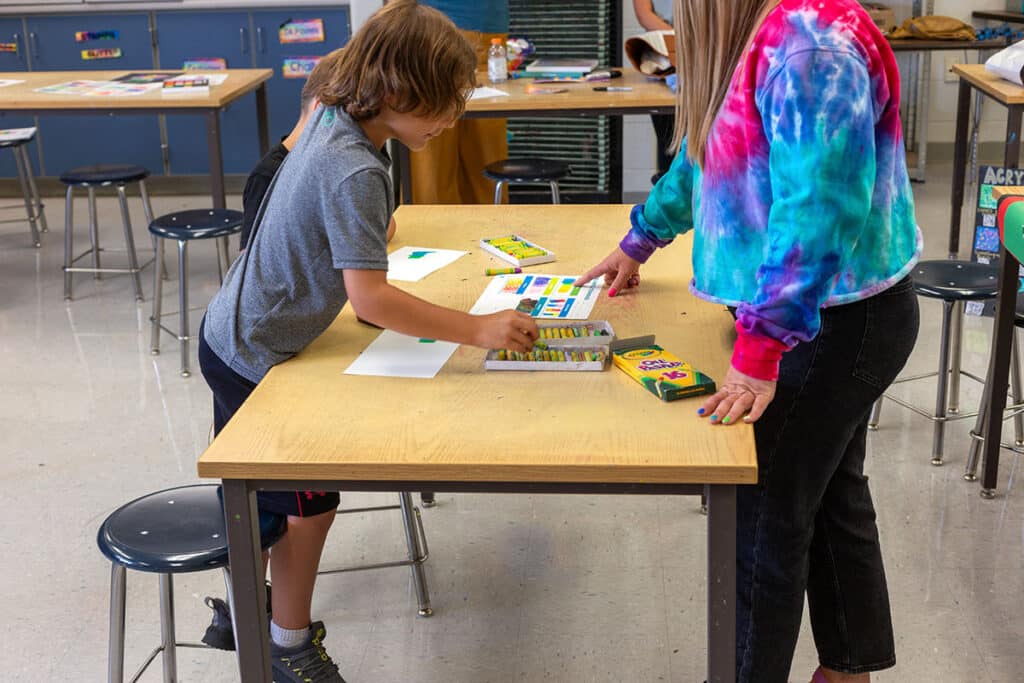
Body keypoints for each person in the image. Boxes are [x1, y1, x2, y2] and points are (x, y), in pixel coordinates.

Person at [577, 1, 921, 681]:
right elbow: (710, 153)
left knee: (764, 522)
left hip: (830, 324)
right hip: (811, 318)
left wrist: (761, 352)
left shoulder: (810, 52)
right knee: (827, 495)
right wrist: (642, 236)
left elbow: (817, 217)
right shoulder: (755, 35)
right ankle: (851, 666)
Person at [198, 3, 539, 681]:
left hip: (234, 334)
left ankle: (242, 610)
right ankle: (288, 644)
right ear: (392, 95)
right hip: (255, 356)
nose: (447, 125)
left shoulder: (337, 113)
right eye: (440, 110)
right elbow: (371, 298)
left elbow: (337, 72)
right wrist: (476, 328)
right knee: (304, 506)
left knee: (262, 506)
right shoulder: (356, 169)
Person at [239, 48, 395, 252]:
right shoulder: (268, 175)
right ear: (321, 110)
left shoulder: (343, 163)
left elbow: (388, 226)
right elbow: (250, 261)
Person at [412, 1, 509, 203]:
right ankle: (433, 231)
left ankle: (494, 230)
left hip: (488, 32)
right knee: (434, 166)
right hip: (432, 34)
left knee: (486, 167)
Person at [632, 0, 676, 182]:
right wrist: (677, 38)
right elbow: (644, 15)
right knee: (670, 146)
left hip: (702, 60)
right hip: (663, 58)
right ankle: (669, 190)